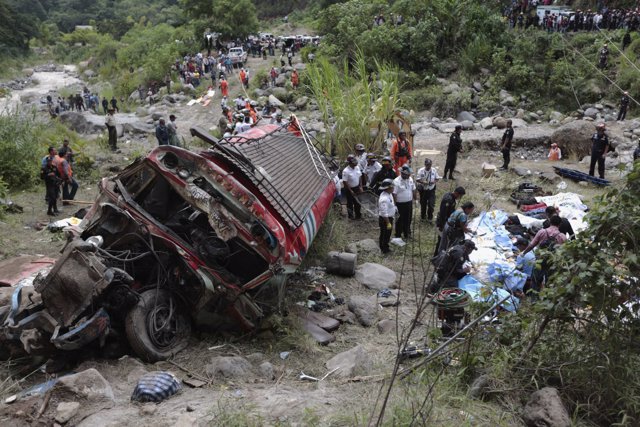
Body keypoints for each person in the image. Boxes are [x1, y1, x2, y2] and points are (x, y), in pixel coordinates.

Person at [435, 187, 466, 255]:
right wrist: (442, 226)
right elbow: (443, 214)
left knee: (443, 240)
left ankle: (439, 254)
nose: (460, 197)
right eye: (460, 196)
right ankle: (437, 255)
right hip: (442, 222)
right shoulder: (448, 200)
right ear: (456, 193)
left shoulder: (452, 198)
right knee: (441, 240)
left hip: (446, 221)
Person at [392, 165, 417, 240]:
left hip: (409, 203)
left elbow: (414, 189)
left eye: (409, 174)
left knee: (408, 219)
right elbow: (394, 194)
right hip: (400, 204)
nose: (409, 176)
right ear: (402, 173)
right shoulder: (396, 181)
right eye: (407, 174)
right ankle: (398, 235)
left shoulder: (410, 179)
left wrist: (416, 199)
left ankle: (407, 234)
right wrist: (395, 205)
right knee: (399, 220)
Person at [416, 158, 440, 223]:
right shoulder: (421, 170)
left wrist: (433, 182)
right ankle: (423, 217)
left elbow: (437, 178)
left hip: (431, 190)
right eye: (427, 165)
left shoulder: (434, 170)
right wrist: (423, 182)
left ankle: (430, 218)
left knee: (431, 204)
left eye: (430, 165)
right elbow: (417, 179)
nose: (429, 166)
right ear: (425, 164)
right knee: (423, 204)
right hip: (423, 190)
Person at [377, 179, 396, 254]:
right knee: (385, 234)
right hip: (385, 219)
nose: (393, 188)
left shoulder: (388, 194)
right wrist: (388, 223)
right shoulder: (384, 199)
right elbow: (384, 212)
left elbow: (391, 204)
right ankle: (384, 249)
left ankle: (384, 247)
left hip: (389, 217)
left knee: (386, 234)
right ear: (388, 188)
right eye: (392, 187)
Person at [342, 154, 363, 220]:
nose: (355, 163)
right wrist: (351, 190)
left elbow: (360, 176)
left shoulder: (357, 167)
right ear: (350, 163)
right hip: (349, 189)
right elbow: (345, 182)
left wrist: (360, 186)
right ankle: (350, 216)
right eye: (354, 162)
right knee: (350, 203)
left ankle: (358, 215)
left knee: (358, 202)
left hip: (357, 187)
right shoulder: (346, 171)